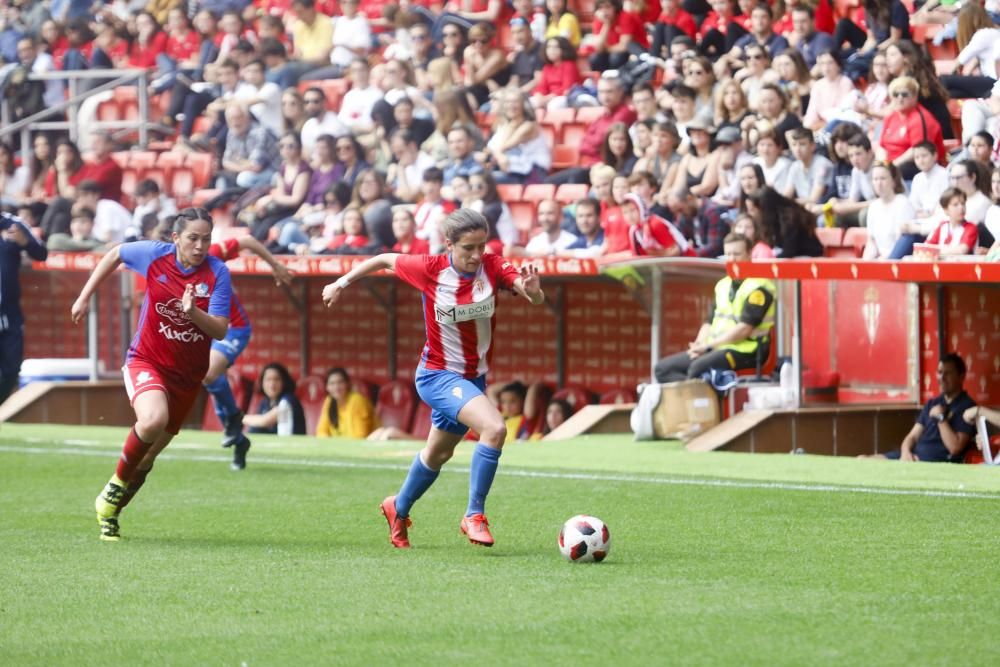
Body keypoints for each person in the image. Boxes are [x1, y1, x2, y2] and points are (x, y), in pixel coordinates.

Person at [321, 209, 545, 549]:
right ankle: (474, 515)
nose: (476, 255)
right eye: (468, 247)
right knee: (495, 429)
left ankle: (398, 507)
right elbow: (382, 259)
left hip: (472, 381)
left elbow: (531, 294)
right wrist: (340, 283)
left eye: (481, 246)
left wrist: (533, 290)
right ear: (449, 244)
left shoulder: (493, 266)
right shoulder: (429, 269)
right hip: (437, 375)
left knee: (437, 456)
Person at [72, 208, 232, 541]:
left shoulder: (218, 273)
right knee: (152, 420)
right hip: (146, 361)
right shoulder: (154, 256)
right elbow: (115, 253)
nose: (200, 246)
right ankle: (114, 486)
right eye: (193, 238)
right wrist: (85, 295)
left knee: (146, 459)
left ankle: (110, 513)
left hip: (186, 378)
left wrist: (193, 312)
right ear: (175, 238)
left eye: (206, 239)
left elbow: (218, 330)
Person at [202, 235, 293, 469]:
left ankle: (234, 422)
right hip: (203, 332)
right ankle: (239, 440)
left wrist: (275, 265)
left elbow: (248, 241)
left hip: (234, 328)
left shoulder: (208, 252)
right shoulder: (168, 268)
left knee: (209, 373)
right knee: (212, 381)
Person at [653, 233, 775, 384]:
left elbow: (744, 329)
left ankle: (701, 396)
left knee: (698, 368)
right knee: (662, 369)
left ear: (750, 254)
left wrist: (709, 346)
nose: (732, 259)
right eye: (728, 254)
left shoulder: (759, 287)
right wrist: (699, 344)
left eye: (737, 254)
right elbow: (709, 321)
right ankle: (698, 393)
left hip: (747, 351)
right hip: (717, 347)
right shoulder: (723, 285)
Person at [862, 354, 976, 462]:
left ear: (961, 376)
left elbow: (955, 448)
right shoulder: (932, 403)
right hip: (912, 456)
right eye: (940, 372)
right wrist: (905, 452)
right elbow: (912, 436)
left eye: (948, 373)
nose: (942, 377)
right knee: (863, 459)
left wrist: (941, 418)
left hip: (933, 462)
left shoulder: (967, 406)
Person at [0, 211, 47, 403]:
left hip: (9, 312)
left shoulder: (14, 224)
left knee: (12, 368)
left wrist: (24, 243)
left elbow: (41, 253)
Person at [244, 362, 307, 436]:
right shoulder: (264, 402)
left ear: (284, 382)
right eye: (268, 379)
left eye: (276, 379)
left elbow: (264, 421)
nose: (272, 384)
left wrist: (238, 418)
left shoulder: (289, 399)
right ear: (262, 382)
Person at [315, 367, 378, 438]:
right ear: (327, 387)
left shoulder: (357, 401)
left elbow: (360, 436)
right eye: (332, 383)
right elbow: (321, 431)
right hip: (339, 446)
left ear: (348, 384)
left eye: (340, 382)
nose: (336, 387)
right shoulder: (329, 401)